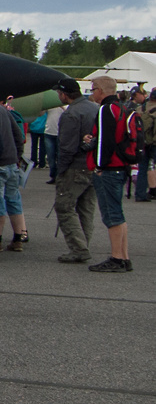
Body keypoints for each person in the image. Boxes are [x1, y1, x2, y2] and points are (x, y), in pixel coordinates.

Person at [86, 76, 136, 272]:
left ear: (100, 90)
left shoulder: (106, 109)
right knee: (118, 213)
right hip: (121, 165)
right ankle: (123, 256)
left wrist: (99, 165)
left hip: (109, 168)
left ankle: (116, 258)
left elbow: (105, 143)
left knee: (111, 214)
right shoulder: (122, 108)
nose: (92, 93)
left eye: (93, 89)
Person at [51, 78, 99, 263]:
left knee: (64, 206)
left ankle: (79, 248)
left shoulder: (72, 114)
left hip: (75, 167)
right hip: (92, 165)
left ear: (64, 94)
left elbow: (67, 148)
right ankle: (83, 244)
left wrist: (61, 171)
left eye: (59, 93)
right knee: (86, 208)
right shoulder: (94, 108)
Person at [0, 95, 29, 251]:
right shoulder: (4, 111)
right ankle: (18, 238)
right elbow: (19, 135)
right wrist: (17, 156)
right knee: (13, 199)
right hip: (11, 162)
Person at [137, 91, 156, 203]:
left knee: (142, 168)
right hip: (154, 143)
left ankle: (140, 194)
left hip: (141, 142)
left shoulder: (141, 109)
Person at [43, 103, 64, 183]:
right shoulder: (51, 104)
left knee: (60, 157)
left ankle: (60, 176)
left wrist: (61, 106)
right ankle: (53, 176)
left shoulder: (65, 104)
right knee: (51, 157)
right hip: (49, 132)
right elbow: (40, 114)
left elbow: (68, 112)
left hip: (60, 133)